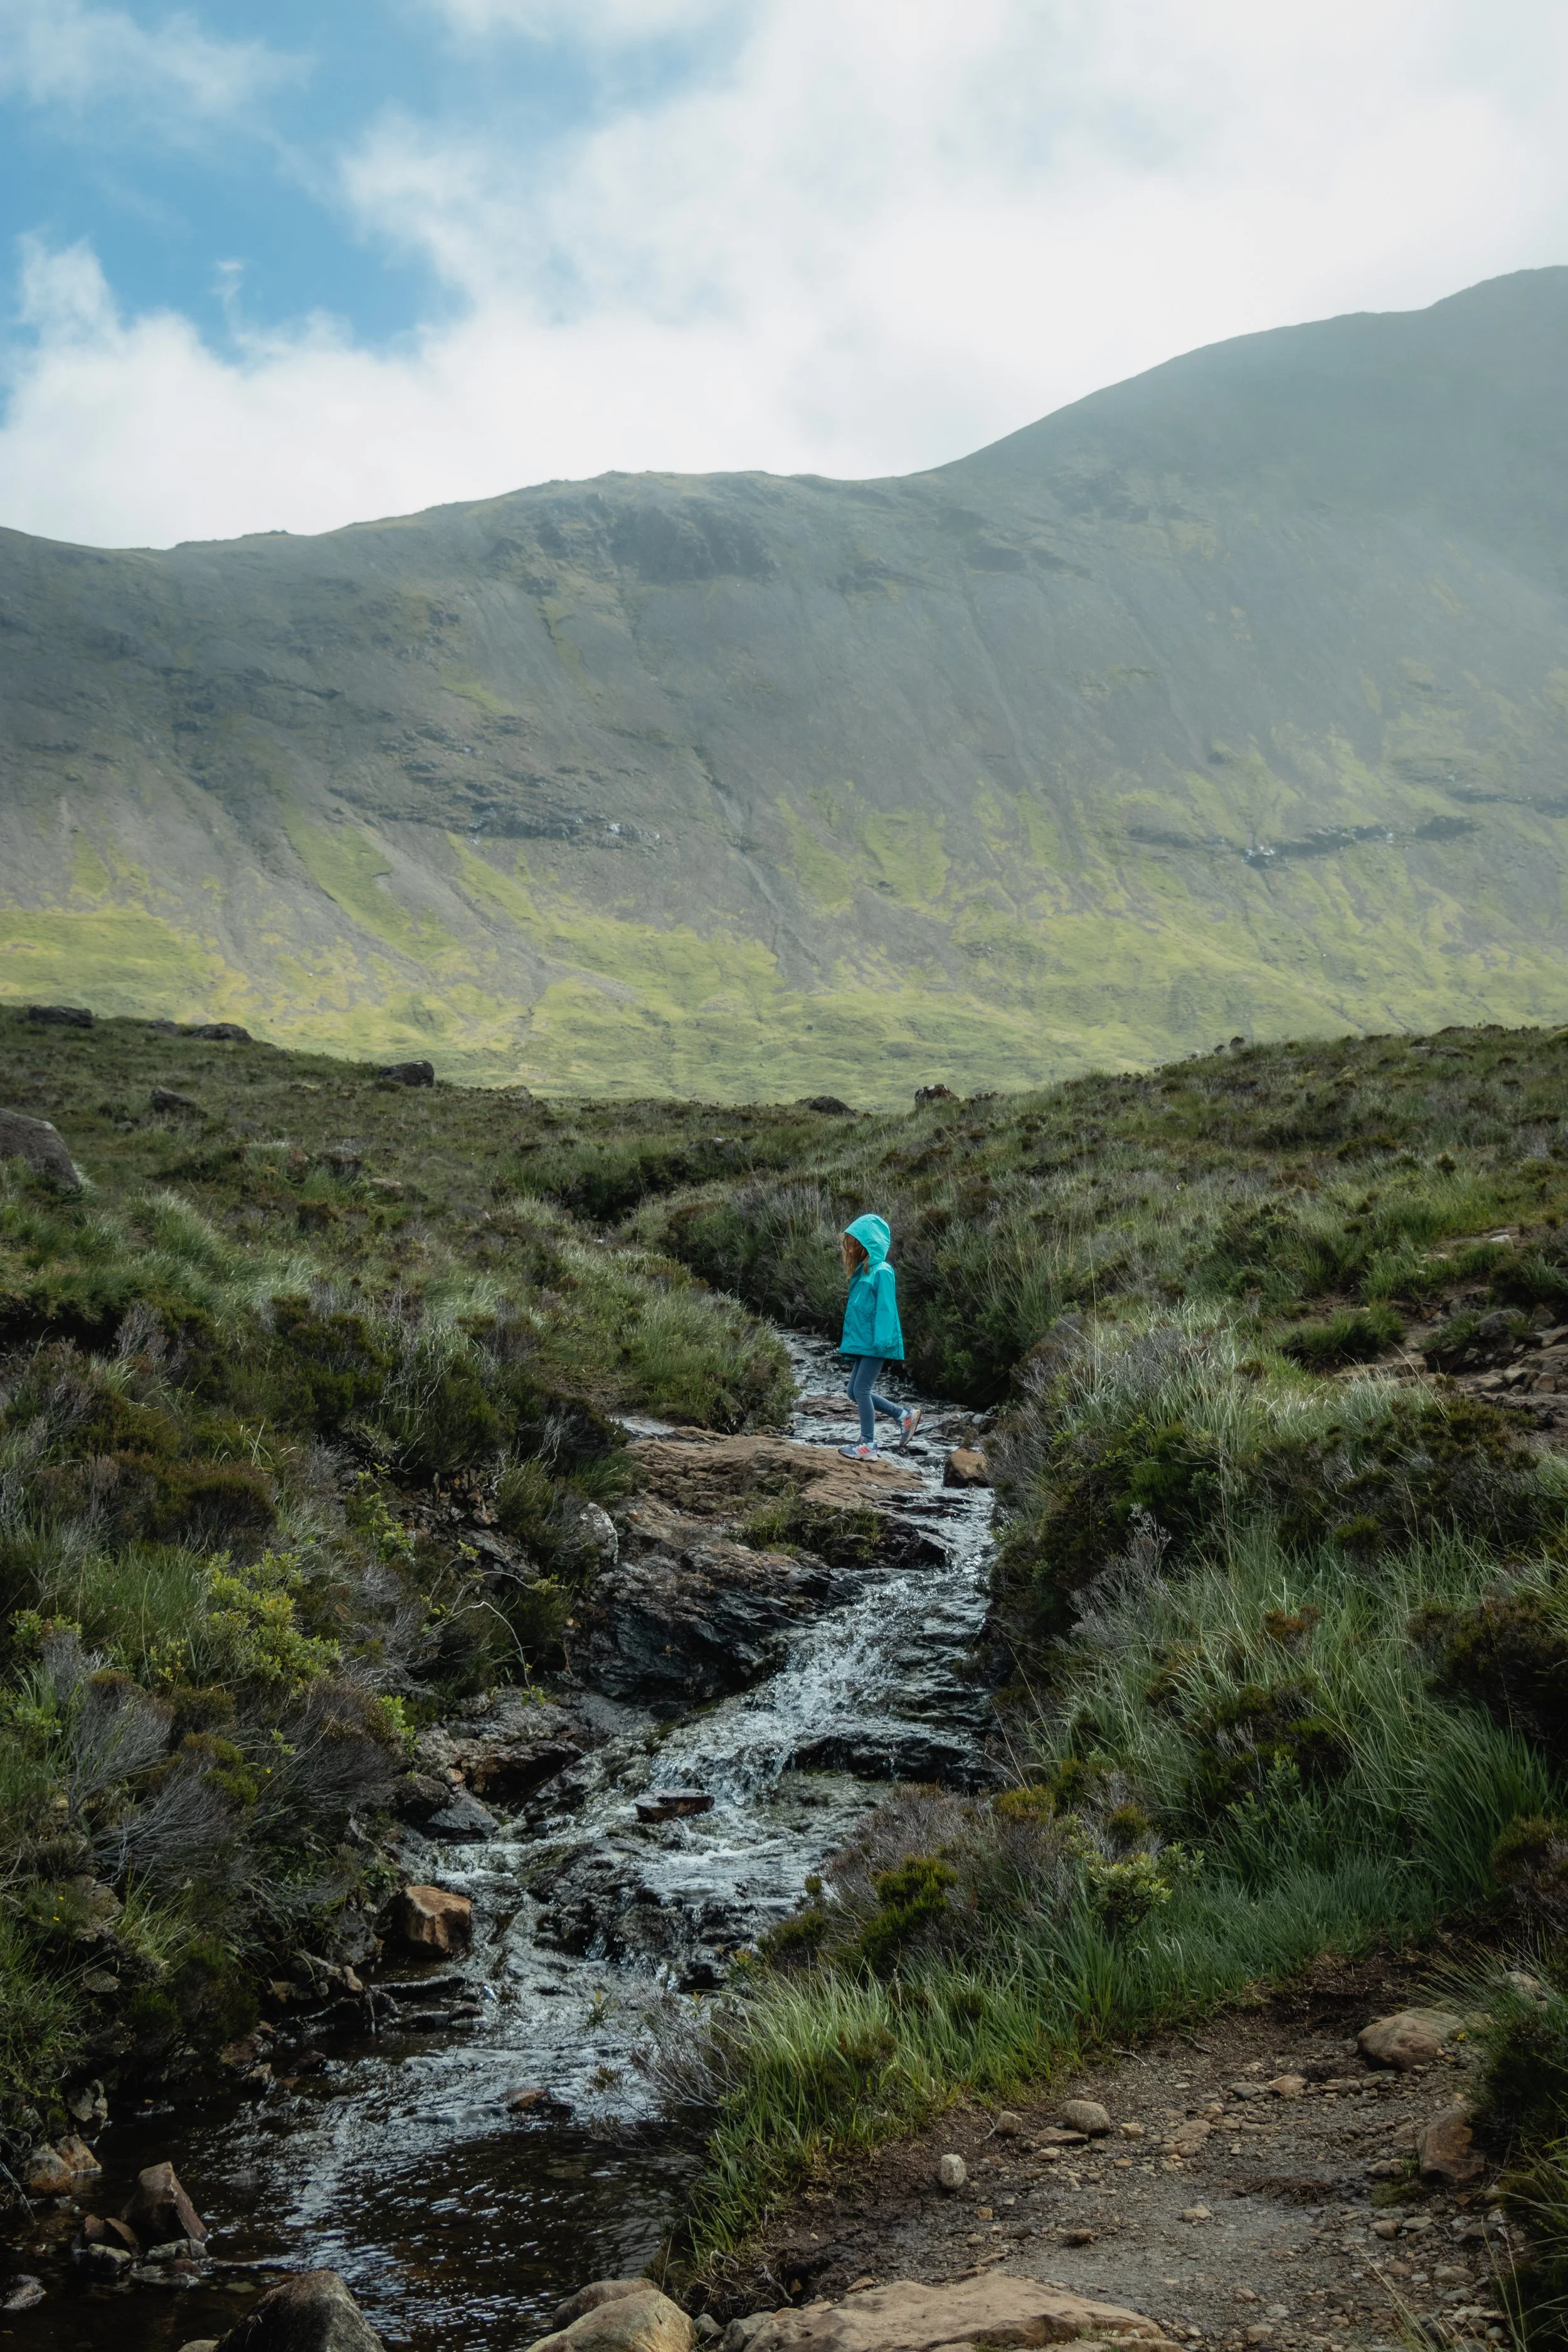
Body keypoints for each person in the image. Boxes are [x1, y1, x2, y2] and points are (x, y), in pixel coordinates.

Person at [837, 1214, 921, 1460]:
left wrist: (882, 1343)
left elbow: (886, 1309)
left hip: (876, 1343)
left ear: (868, 1243)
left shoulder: (882, 1271)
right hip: (865, 1344)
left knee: (862, 1390)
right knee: (853, 1391)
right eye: (849, 1242)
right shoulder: (863, 1273)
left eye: (855, 1242)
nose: (850, 1247)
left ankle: (868, 1445)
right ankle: (903, 1415)